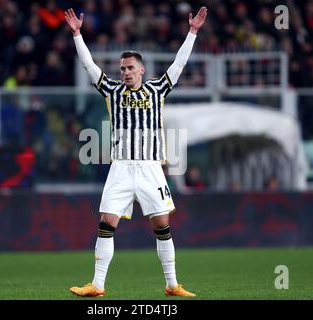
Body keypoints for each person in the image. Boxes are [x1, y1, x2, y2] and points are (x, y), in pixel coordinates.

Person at [65, 6, 207, 297]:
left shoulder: (157, 89)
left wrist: (192, 32)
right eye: (123, 68)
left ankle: (172, 284)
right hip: (120, 166)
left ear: (142, 69)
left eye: (130, 68)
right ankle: (97, 285)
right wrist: (77, 35)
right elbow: (90, 67)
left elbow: (178, 66)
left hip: (150, 167)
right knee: (106, 222)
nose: (125, 72)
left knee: (162, 225)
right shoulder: (113, 92)